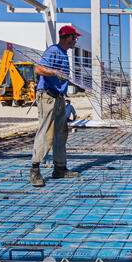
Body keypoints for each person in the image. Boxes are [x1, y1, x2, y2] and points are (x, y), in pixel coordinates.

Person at [28, 25, 83, 187]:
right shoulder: (53, 50)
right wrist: (55, 73)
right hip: (48, 96)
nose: (75, 41)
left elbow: (61, 76)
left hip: (58, 97)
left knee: (61, 133)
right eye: (74, 38)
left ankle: (60, 169)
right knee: (46, 132)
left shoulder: (64, 54)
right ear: (66, 37)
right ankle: (34, 171)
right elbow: (38, 69)